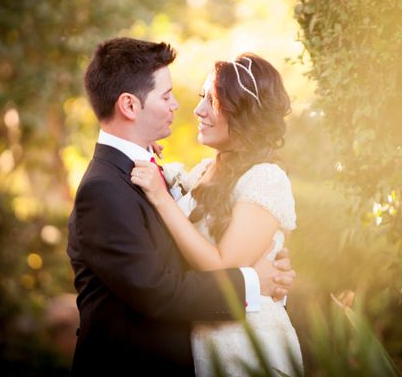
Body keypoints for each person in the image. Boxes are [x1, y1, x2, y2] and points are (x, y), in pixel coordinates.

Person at [66, 38, 296, 376]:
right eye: (165, 95)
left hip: (238, 348)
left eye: (211, 101)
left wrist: (266, 266)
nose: (184, 106)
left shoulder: (148, 173)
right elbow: (158, 290)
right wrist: (252, 283)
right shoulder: (105, 188)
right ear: (129, 106)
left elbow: (202, 251)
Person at [131, 53, 304, 376]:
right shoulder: (203, 172)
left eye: (212, 101)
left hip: (249, 344)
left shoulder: (266, 178)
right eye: (202, 98)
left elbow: (223, 267)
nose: (199, 111)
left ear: (245, 114)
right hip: (206, 339)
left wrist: (161, 199)